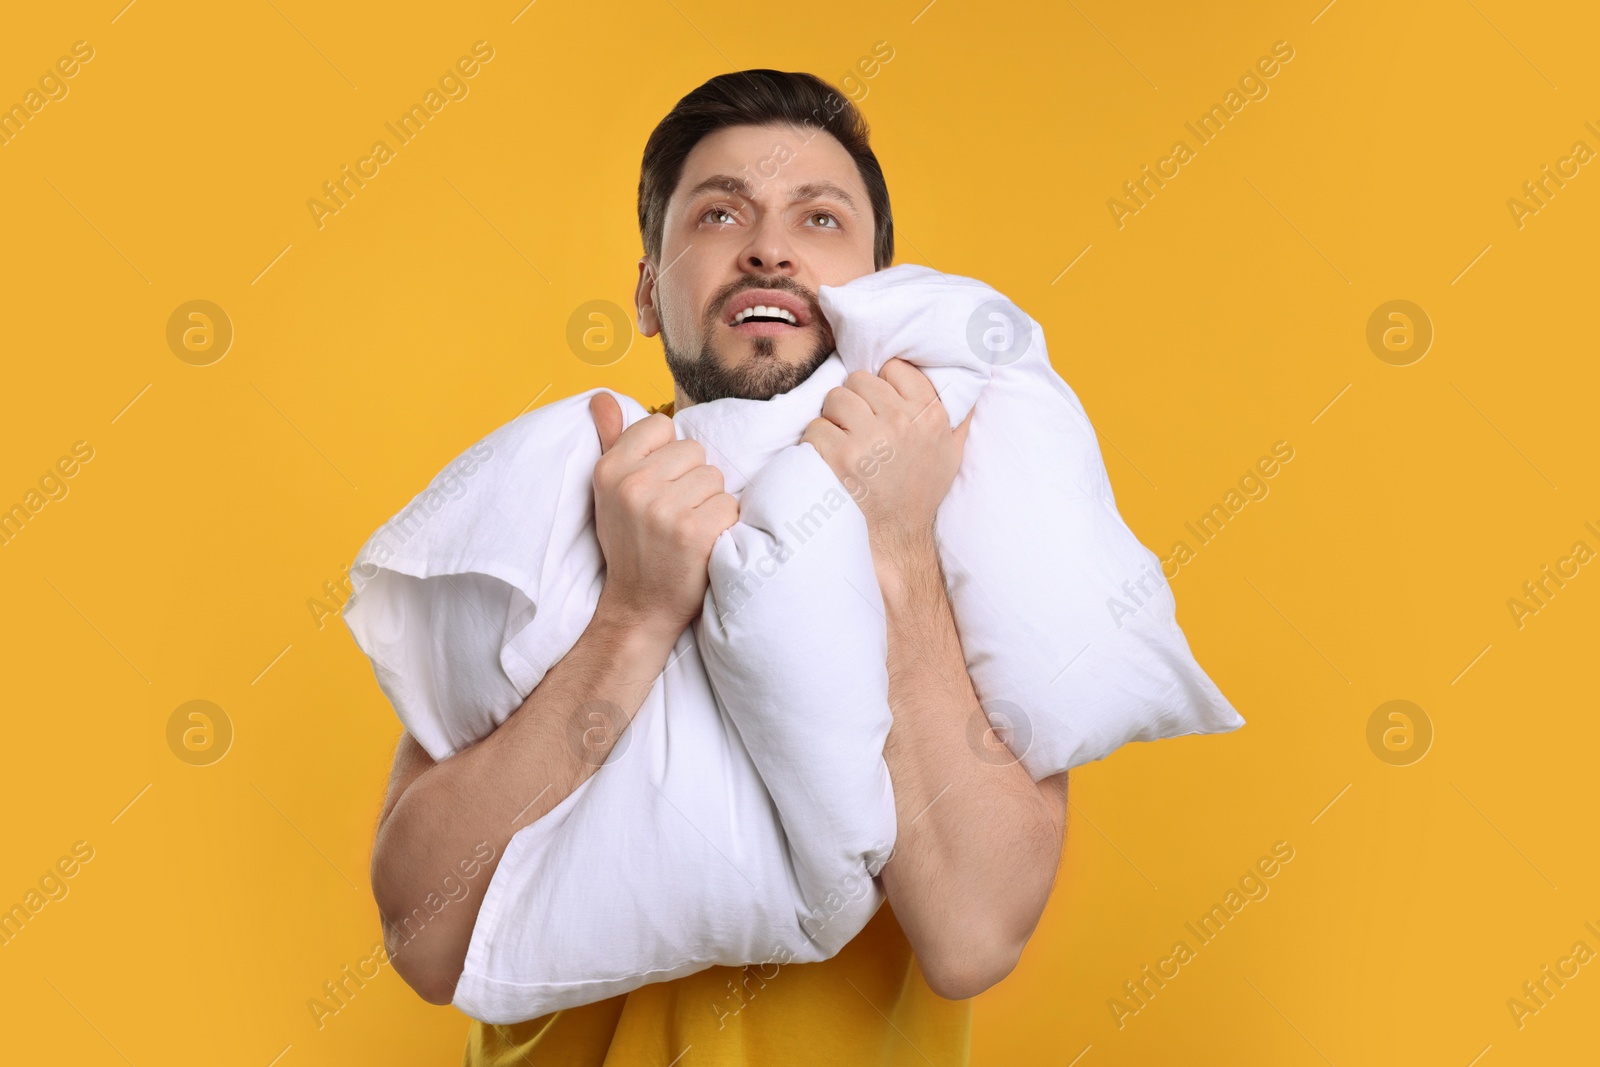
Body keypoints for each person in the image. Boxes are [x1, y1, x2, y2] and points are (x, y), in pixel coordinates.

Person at [367, 68, 1071, 1065]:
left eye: (819, 218)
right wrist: (634, 616)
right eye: (719, 212)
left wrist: (900, 548)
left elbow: (971, 933)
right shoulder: (554, 494)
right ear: (651, 291)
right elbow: (425, 940)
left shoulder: (972, 506)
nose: (769, 246)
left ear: (880, 296)